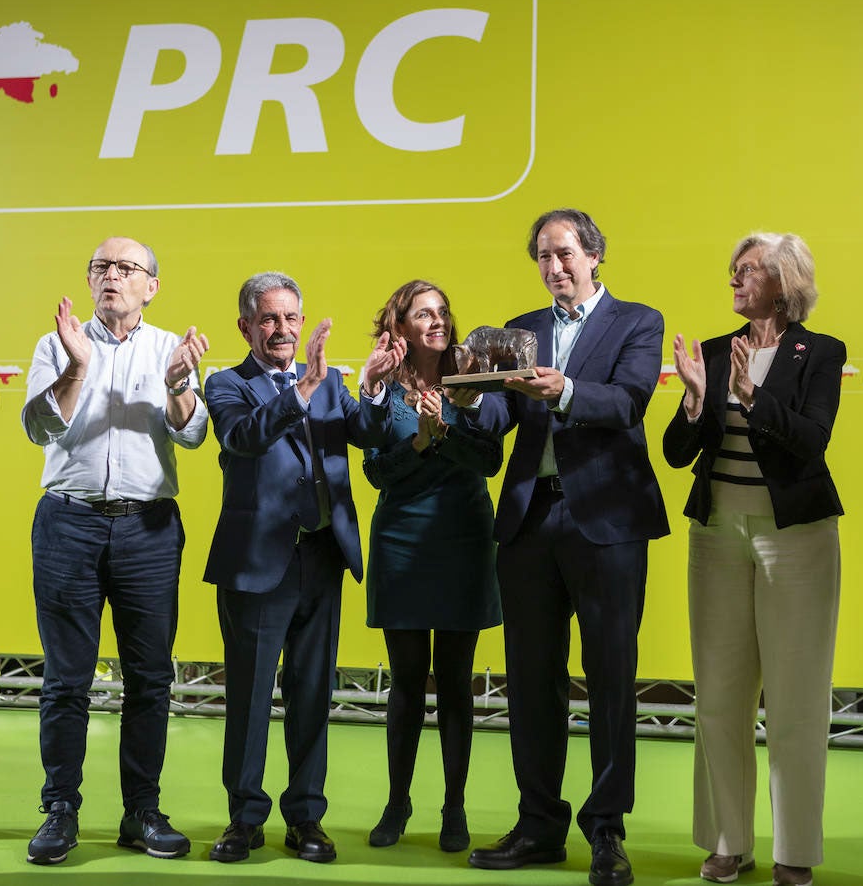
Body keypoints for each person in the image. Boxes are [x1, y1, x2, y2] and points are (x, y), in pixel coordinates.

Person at [467, 208, 668, 886]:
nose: (555, 268)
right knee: (530, 682)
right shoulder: (520, 329)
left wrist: (567, 390)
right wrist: (469, 394)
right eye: (544, 258)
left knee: (610, 679)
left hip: (608, 522)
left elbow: (629, 402)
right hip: (529, 523)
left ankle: (607, 832)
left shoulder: (637, 321)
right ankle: (539, 826)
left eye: (564, 254)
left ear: (594, 254)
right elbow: (498, 415)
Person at [19, 237, 210, 865]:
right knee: (66, 680)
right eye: (101, 266)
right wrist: (77, 366)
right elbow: (40, 427)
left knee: (150, 680)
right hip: (68, 524)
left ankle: (142, 811)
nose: (112, 277)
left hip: (148, 530)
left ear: (151, 285)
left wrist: (181, 385)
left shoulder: (169, 351)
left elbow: (192, 434)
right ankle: (60, 810)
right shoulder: (58, 344)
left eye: (127, 268)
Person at [663, 233, 845, 886]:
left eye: (749, 270)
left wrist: (750, 397)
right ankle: (726, 842)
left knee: (796, 700)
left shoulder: (820, 353)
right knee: (717, 695)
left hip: (795, 538)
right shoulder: (713, 352)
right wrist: (693, 398)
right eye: (732, 271)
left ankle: (795, 851)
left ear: (784, 279)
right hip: (716, 538)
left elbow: (811, 443)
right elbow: (678, 453)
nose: (735, 280)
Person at [203, 272, 404, 865]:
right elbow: (242, 438)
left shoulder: (332, 382)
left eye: (291, 318)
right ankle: (243, 819)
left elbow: (367, 434)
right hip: (258, 562)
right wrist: (298, 393)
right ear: (245, 327)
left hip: (322, 556)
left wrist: (370, 388)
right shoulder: (227, 384)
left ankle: (306, 818)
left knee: (314, 693)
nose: (282, 330)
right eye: (268, 319)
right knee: (248, 696)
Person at [361, 280, 503, 854]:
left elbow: (490, 459)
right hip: (401, 541)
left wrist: (445, 435)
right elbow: (375, 472)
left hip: (464, 538)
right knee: (406, 683)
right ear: (402, 326)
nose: (438, 321)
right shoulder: (382, 388)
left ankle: (455, 806)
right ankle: (397, 803)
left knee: (456, 684)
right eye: (425, 313)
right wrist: (420, 442)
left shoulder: (472, 378)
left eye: (443, 311)